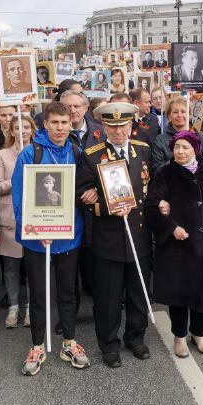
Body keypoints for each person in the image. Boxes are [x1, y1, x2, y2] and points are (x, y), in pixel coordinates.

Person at [12, 102, 90, 375]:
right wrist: (32, 229)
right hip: (38, 239)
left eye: (64, 123)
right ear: (45, 124)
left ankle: (69, 341)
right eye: (54, 123)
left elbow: (83, 190)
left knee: (68, 293)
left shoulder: (77, 152)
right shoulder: (30, 153)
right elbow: (20, 198)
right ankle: (37, 345)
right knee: (39, 294)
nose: (59, 128)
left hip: (68, 237)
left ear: (71, 124)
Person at [76, 102, 153, 368]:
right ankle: (109, 344)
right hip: (108, 236)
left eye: (123, 126)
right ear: (104, 126)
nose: (118, 131)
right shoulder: (92, 155)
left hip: (139, 234)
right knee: (108, 298)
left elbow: (149, 187)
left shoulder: (143, 150)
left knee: (137, 292)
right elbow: (83, 196)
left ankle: (135, 337)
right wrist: (108, 205)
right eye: (112, 126)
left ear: (131, 126)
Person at [147, 130, 203, 357]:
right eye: (176, 147)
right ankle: (180, 335)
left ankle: (199, 333)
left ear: (196, 149)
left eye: (185, 147)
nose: (180, 152)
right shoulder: (165, 173)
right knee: (180, 294)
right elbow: (152, 206)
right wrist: (171, 227)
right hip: (178, 247)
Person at [0, 114, 34, 328]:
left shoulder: (38, 152)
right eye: (18, 127)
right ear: (12, 131)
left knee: (32, 267)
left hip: (35, 216)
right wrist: (18, 176)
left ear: (32, 130)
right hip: (10, 217)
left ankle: (30, 309)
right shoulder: (2, 155)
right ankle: (13, 307)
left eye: (26, 127)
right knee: (11, 267)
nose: (22, 131)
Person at [151, 96, 203, 170]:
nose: (179, 115)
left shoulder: (201, 138)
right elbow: (156, 168)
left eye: (183, 111)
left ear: (189, 115)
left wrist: (195, 168)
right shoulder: (161, 140)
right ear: (169, 116)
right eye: (175, 112)